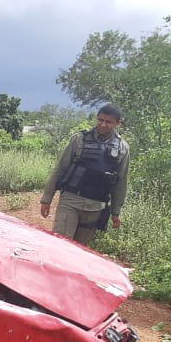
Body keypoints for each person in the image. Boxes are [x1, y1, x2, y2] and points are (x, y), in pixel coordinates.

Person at [40, 103, 130, 245]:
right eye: (100, 120)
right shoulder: (79, 139)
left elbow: (121, 182)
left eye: (108, 122)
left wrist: (115, 212)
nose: (103, 124)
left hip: (96, 207)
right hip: (70, 201)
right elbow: (60, 169)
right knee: (60, 245)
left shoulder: (122, 148)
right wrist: (47, 198)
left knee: (80, 251)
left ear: (117, 123)